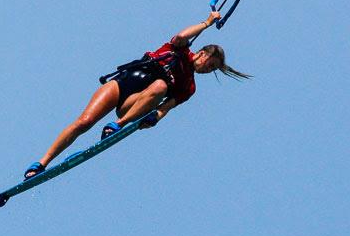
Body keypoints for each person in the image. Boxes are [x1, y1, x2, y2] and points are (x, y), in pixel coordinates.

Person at [23, 10, 251, 178]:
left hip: (134, 106)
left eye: (212, 70)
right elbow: (182, 36)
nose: (207, 70)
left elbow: (166, 107)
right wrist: (207, 22)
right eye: (209, 65)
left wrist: (154, 119)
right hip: (122, 85)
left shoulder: (189, 87)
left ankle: (118, 124)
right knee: (84, 122)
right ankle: (41, 164)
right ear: (201, 54)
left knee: (161, 88)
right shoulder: (178, 50)